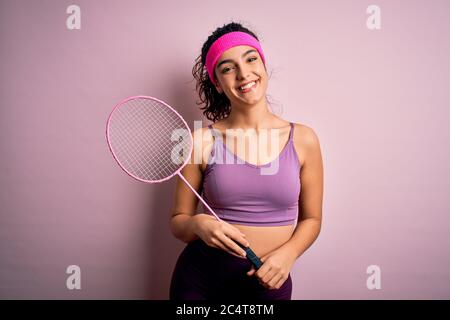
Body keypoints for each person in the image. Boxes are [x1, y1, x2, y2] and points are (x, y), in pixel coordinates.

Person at [169, 21, 323, 300]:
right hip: (200, 282)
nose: (243, 74)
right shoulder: (201, 141)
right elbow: (178, 220)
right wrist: (197, 224)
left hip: (269, 284)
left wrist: (288, 255)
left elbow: (312, 219)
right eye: (227, 68)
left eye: (251, 59)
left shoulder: (304, 139)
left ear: (263, 65)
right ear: (217, 83)